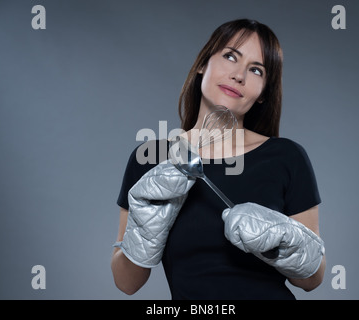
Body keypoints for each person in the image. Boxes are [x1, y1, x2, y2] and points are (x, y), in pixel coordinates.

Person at [111, 19, 326, 300]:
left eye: (256, 70)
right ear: (203, 64)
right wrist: (143, 236)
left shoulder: (287, 157)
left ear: (262, 94)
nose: (239, 75)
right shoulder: (150, 159)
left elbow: (312, 280)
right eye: (230, 56)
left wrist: (286, 244)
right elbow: (127, 284)